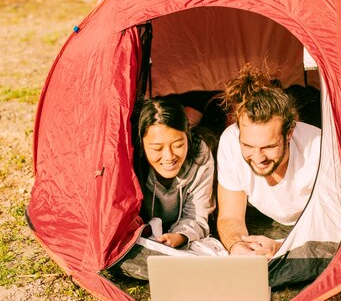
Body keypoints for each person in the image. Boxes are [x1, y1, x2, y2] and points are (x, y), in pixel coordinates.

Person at [216, 64, 321, 258]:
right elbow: (230, 216)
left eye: (269, 147)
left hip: (313, 223)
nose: (257, 158)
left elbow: (334, 221)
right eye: (248, 146)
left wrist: (281, 247)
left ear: (289, 133)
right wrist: (237, 245)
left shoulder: (318, 148)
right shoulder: (229, 141)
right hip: (269, 222)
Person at [113, 97, 220, 279]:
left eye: (178, 145)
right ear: (141, 145)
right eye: (157, 148)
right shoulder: (129, 163)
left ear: (188, 135)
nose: (169, 156)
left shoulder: (200, 156)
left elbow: (198, 213)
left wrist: (181, 235)